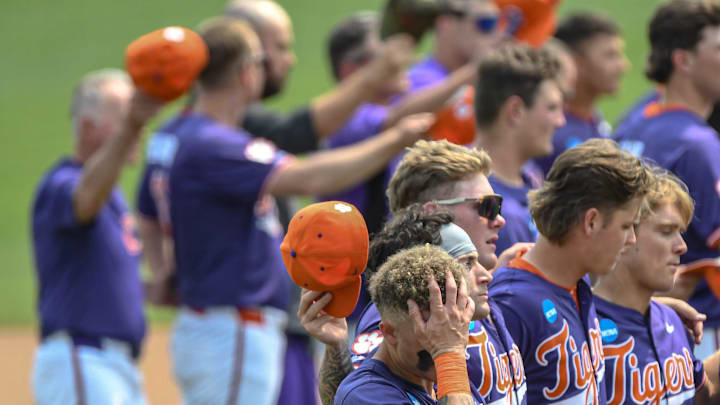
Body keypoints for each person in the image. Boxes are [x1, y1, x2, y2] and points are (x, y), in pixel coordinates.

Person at [164, 17, 431, 405]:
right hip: (229, 324)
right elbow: (306, 177)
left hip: (217, 320)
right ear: (244, 72)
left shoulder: (183, 134)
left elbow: (151, 218)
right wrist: (395, 140)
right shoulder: (213, 142)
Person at [30, 69, 163, 404]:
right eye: (125, 119)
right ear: (88, 127)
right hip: (83, 358)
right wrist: (130, 128)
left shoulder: (114, 196)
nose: (138, 129)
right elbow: (85, 198)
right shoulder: (60, 185)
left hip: (115, 366)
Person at [489, 138, 652, 404]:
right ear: (591, 221)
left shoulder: (577, 282)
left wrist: (658, 311)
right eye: (626, 226)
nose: (632, 239)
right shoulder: (511, 305)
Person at [614, 0, 720, 360]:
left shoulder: (633, 120)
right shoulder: (698, 145)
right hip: (697, 332)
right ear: (683, 61)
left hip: (634, 319)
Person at [594, 169, 720, 404]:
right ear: (623, 233)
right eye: (666, 231)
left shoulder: (672, 320)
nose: (682, 246)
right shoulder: (580, 325)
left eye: (680, 232)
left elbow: (701, 397)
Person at [334, 245, 484, 404]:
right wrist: (449, 355)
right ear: (390, 332)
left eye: (455, 325)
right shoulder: (364, 395)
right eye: (432, 330)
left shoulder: (438, 373)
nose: (451, 336)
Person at [473, 43, 564, 254]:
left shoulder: (531, 176)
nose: (561, 121)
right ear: (516, 111)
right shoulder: (474, 204)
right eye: (552, 108)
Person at [535, 12, 628, 174]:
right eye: (610, 55)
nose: (623, 66)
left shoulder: (593, 118)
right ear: (576, 62)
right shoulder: (549, 131)